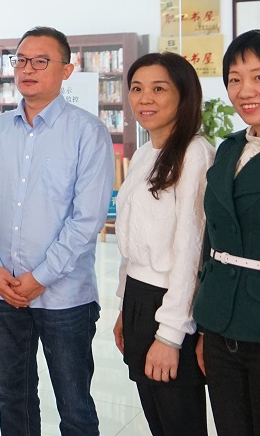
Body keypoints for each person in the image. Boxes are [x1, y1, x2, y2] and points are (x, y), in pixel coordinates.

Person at [0, 26, 115, 436]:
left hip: (65, 298)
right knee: (12, 397)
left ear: (67, 70)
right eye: (21, 61)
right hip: (4, 291)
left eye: (41, 61)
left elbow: (87, 220)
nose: (27, 69)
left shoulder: (88, 132)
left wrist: (40, 278)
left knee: (74, 405)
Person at [111, 52, 212, 435]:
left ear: (184, 95)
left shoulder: (195, 154)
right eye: (137, 89)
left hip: (171, 305)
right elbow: (131, 240)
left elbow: (192, 251)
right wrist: (125, 306)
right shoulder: (144, 153)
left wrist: (170, 335)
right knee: (158, 420)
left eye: (158, 89)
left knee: (179, 422)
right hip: (139, 298)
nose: (144, 99)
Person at [193, 28, 260, 435]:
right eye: (234, 79)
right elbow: (213, 237)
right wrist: (207, 327)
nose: (245, 90)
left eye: (258, 77)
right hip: (220, 325)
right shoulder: (229, 148)